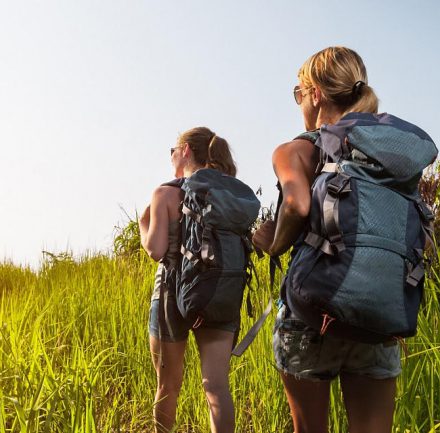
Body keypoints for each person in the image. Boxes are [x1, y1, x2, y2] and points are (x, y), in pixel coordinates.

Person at [252, 46, 402, 433]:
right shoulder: (388, 153)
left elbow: (297, 204)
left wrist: (273, 244)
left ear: (315, 94)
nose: (299, 102)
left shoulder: (296, 149)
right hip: (376, 312)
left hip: (310, 315)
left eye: (299, 93)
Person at [138, 127, 240, 433]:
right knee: (217, 387)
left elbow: (156, 250)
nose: (171, 156)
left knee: (168, 385)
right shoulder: (227, 197)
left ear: (185, 151)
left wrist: (143, 225)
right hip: (218, 291)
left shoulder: (165, 194)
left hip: (170, 294)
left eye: (173, 150)